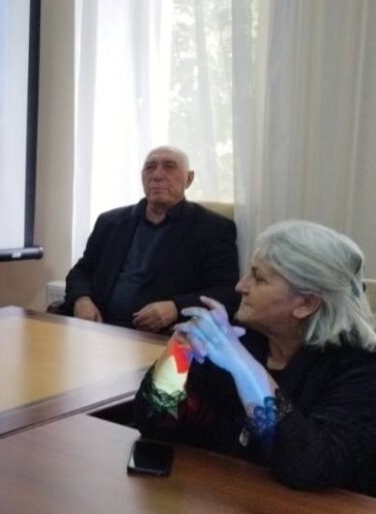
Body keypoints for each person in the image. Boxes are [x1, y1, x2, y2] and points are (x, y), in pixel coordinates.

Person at [133, 221, 376, 495]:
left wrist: (243, 368)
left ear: (306, 303)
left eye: (258, 279)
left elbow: (307, 466)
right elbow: (152, 422)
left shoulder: (361, 369)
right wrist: (178, 353)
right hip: (231, 502)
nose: (240, 286)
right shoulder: (245, 338)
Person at [62, 146, 239, 332]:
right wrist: (82, 300)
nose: (157, 175)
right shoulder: (110, 222)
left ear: (189, 178)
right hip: (97, 327)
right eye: (150, 167)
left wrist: (176, 307)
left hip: (159, 336)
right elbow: (81, 272)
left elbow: (226, 292)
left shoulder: (213, 229)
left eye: (169, 166)